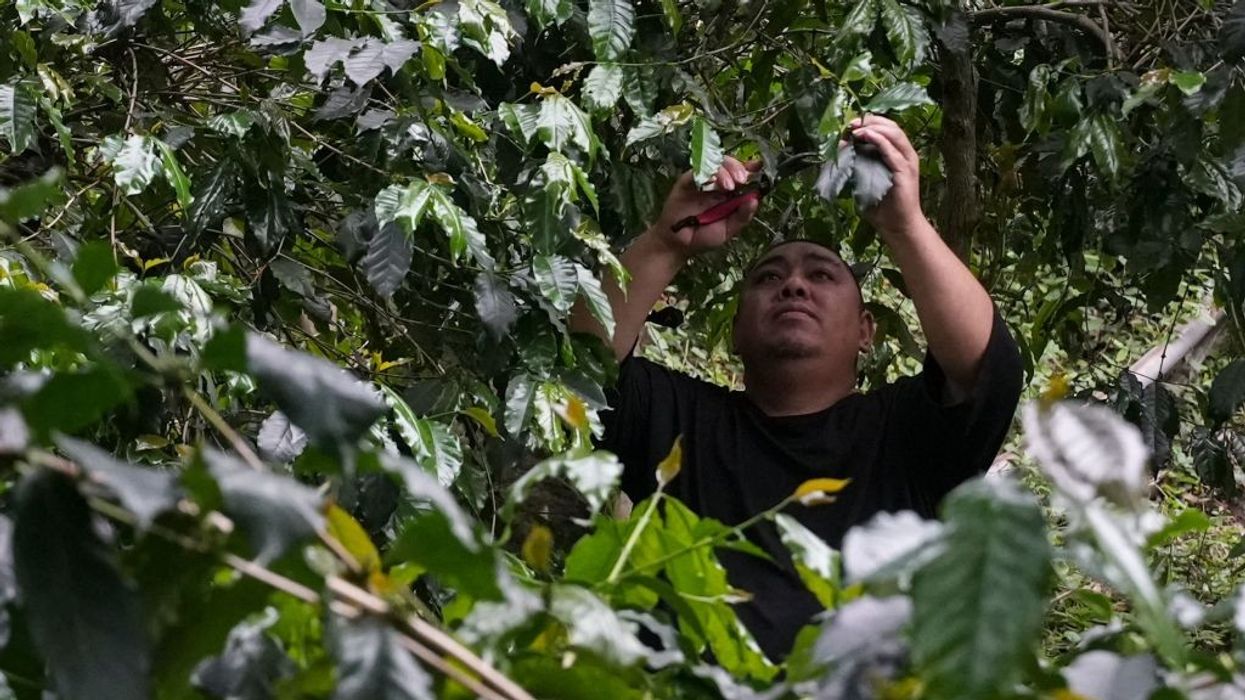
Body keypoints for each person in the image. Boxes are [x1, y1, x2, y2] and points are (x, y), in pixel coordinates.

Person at [570, 115, 1024, 660]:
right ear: (736, 332)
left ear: (865, 332)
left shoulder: (905, 435)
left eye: (822, 275)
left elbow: (987, 367)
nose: (792, 284)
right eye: (768, 277)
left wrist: (905, 224)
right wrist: (667, 242)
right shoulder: (681, 421)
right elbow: (583, 367)